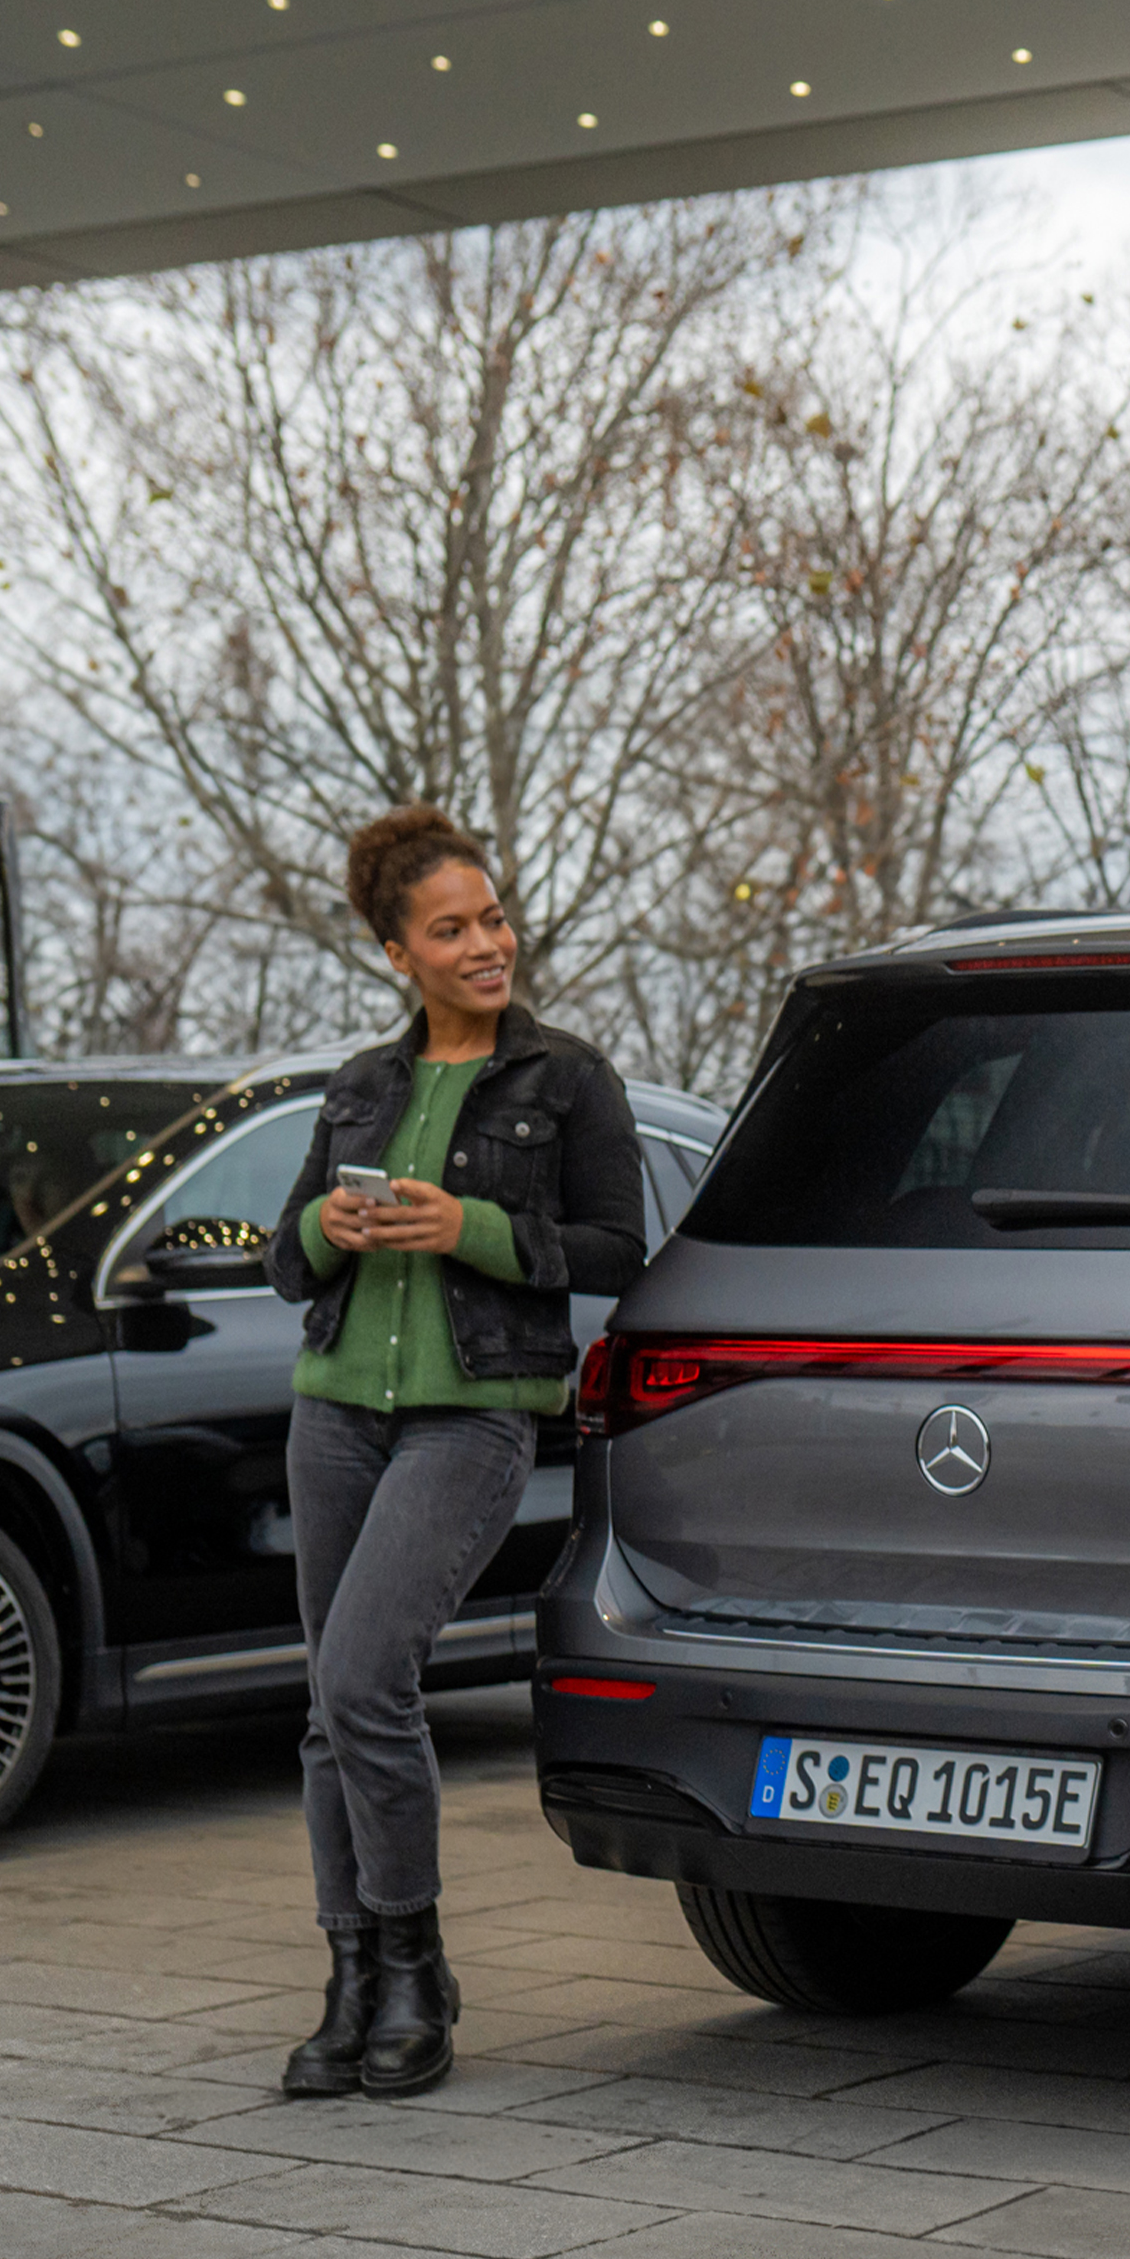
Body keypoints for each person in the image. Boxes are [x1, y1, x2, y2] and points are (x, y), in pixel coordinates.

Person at [264, 806, 645, 2097]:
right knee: (330, 1709)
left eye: (491, 918)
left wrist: (468, 1227)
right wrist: (329, 1223)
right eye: (452, 929)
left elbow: (614, 1251)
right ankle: (351, 1978)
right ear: (395, 953)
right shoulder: (363, 1085)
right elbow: (280, 1260)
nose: (488, 943)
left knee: (366, 1677)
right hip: (334, 1413)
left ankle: (417, 1968)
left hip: (472, 1412)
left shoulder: (568, 1080)